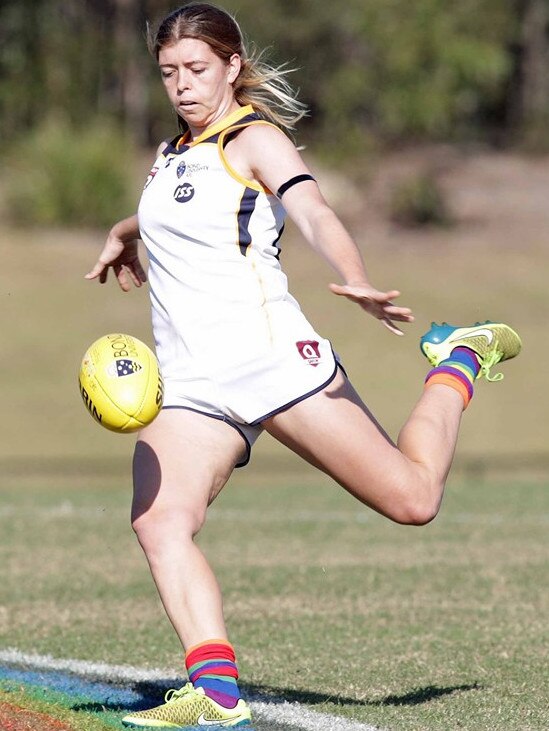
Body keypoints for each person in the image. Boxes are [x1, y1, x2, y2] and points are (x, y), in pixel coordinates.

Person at [86, 3, 522, 729]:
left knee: (413, 499)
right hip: (191, 383)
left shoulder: (255, 138)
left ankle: (458, 358)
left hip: (271, 362)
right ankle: (217, 692)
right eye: (168, 73)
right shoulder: (168, 154)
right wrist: (127, 230)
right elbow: (179, 208)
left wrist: (353, 275)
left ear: (231, 65)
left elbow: (311, 209)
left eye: (196, 69)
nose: (182, 86)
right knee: (160, 520)